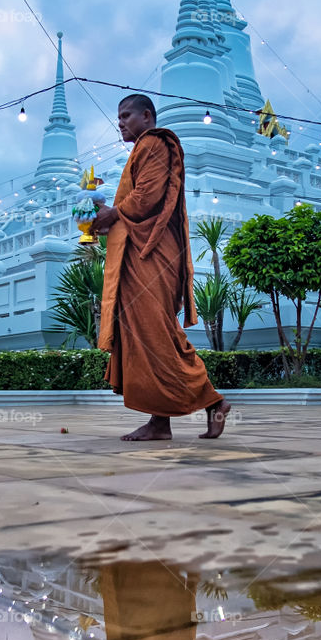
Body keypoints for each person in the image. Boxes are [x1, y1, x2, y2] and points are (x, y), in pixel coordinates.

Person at [91, 94, 232, 441]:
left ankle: (212, 402)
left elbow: (146, 198)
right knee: (149, 335)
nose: (120, 122)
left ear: (147, 116)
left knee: (157, 335)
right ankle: (160, 422)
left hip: (151, 254)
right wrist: (106, 216)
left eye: (126, 115)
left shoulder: (154, 143)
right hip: (142, 253)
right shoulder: (142, 149)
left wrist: (113, 213)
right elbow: (138, 204)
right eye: (118, 117)